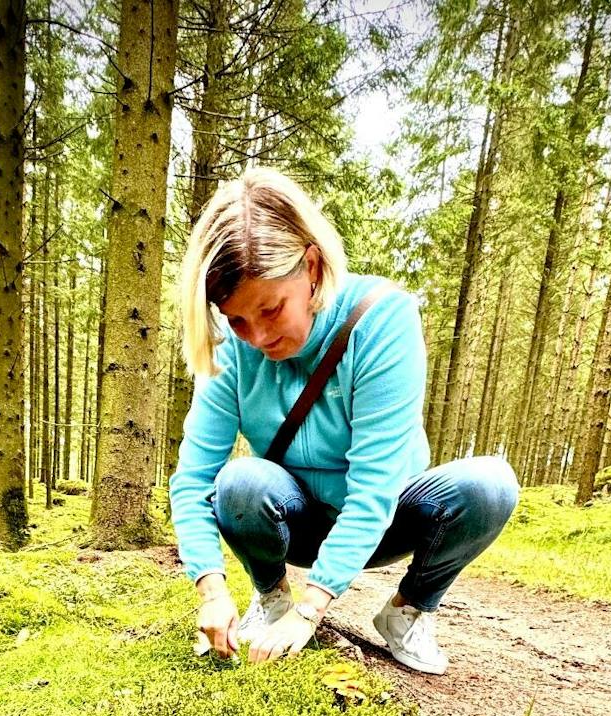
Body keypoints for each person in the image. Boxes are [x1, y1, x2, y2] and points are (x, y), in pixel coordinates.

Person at [168, 166, 520, 675]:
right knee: (238, 481)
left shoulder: (382, 319)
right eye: (237, 319)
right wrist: (211, 590)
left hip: (388, 517)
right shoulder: (233, 351)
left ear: (311, 266)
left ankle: (407, 611)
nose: (257, 337)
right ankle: (271, 598)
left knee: (490, 485)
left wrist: (312, 612)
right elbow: (194, 480)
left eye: (271, 309)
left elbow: (375, 486)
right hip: (295, 519)